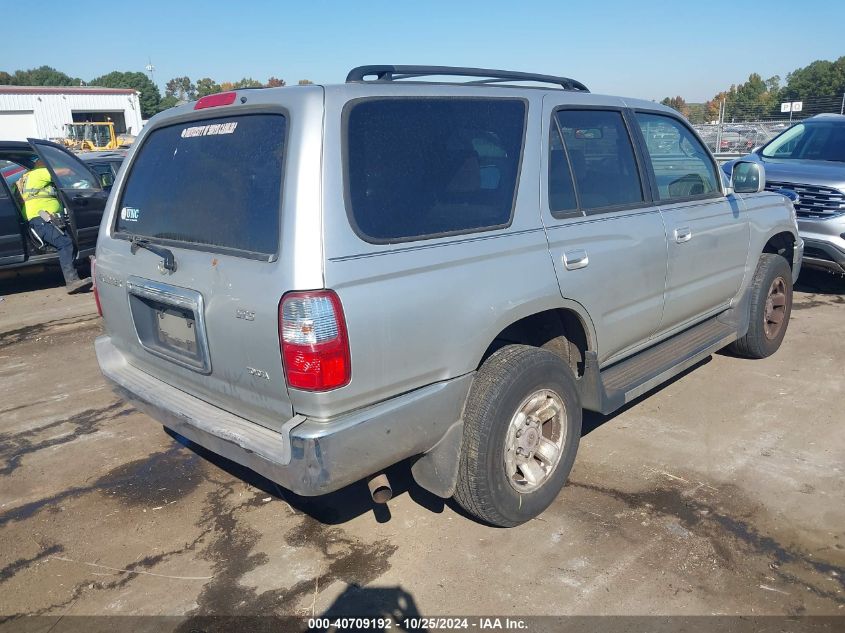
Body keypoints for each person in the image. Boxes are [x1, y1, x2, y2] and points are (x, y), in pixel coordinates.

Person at [18, 159, 91, 294]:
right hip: (42, 219)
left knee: (64, 243)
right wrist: (77, 170)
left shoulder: (24, 178)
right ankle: (72, 281)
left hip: (39, 219)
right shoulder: (39, 173)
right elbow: (64, 172)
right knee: (65, 243)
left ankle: (75, 276)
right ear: (44, 166)